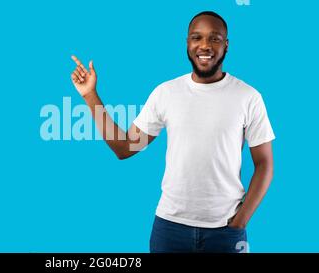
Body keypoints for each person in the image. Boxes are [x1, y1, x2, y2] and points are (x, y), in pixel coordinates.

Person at [70, 11, 275, 253]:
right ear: (187, 43)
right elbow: (124, 148)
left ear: (226, 45)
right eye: (196, 37)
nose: (205, 45)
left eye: (215, 38)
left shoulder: (248, 97)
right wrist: (90, 95)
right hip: (169, 229)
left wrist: (241, 220)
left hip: (226, 230)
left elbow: (264, 164)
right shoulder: (166, 93)